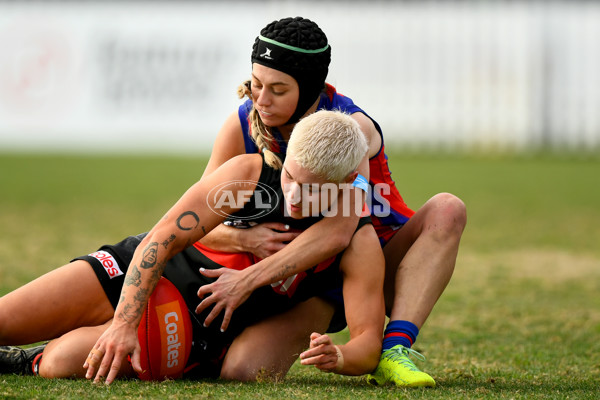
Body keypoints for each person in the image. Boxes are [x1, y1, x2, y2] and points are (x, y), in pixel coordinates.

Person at [0, 110, 385, 383]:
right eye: (290, 176)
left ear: (349, 179)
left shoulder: (356, 241)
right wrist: (122, 323)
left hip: (190, 323)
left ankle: (29, 360)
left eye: (313, 187)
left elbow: (368, 342)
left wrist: (341, 356)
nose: (295, 196)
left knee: (59, 362)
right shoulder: (249, 176)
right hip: (138, 270)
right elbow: (160, 238)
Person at [191, 16, 467, 387]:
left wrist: (246, 281)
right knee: (244, 372)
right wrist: (246, 239)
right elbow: (197, 225)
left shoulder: (352, 131)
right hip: (304, 280)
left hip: (372, 266)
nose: (261, 99)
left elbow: (339, 234)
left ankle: (395, 349)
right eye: (256, 84)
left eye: (278, 89)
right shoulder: (241, 124)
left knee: (447, 209)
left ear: (309, 89)